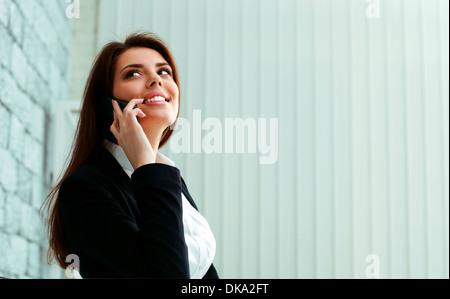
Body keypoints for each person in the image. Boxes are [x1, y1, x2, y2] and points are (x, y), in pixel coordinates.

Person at [41, 32, 218, 279]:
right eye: (134, 73)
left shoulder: (169, 180)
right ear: (107, 102)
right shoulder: (85, 188)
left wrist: (149, 167)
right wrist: (146, 166)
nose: (156, 80)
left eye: (164, 72)